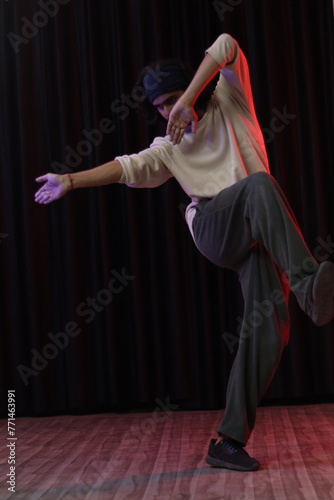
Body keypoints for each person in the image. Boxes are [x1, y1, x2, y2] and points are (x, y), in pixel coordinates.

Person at [35, 33, 334, 472]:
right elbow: (125, 167)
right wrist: (70, 180)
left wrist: (186, 100)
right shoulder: (169, 147)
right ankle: (310, 287)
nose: (167, 113)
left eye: (171, 101)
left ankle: (227, 441)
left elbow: (227, 44)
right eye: (159, 107)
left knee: (270, 329)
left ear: (197, 89)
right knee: (259, 186)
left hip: (258, 230)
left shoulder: (232, 99)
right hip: (216, 228)